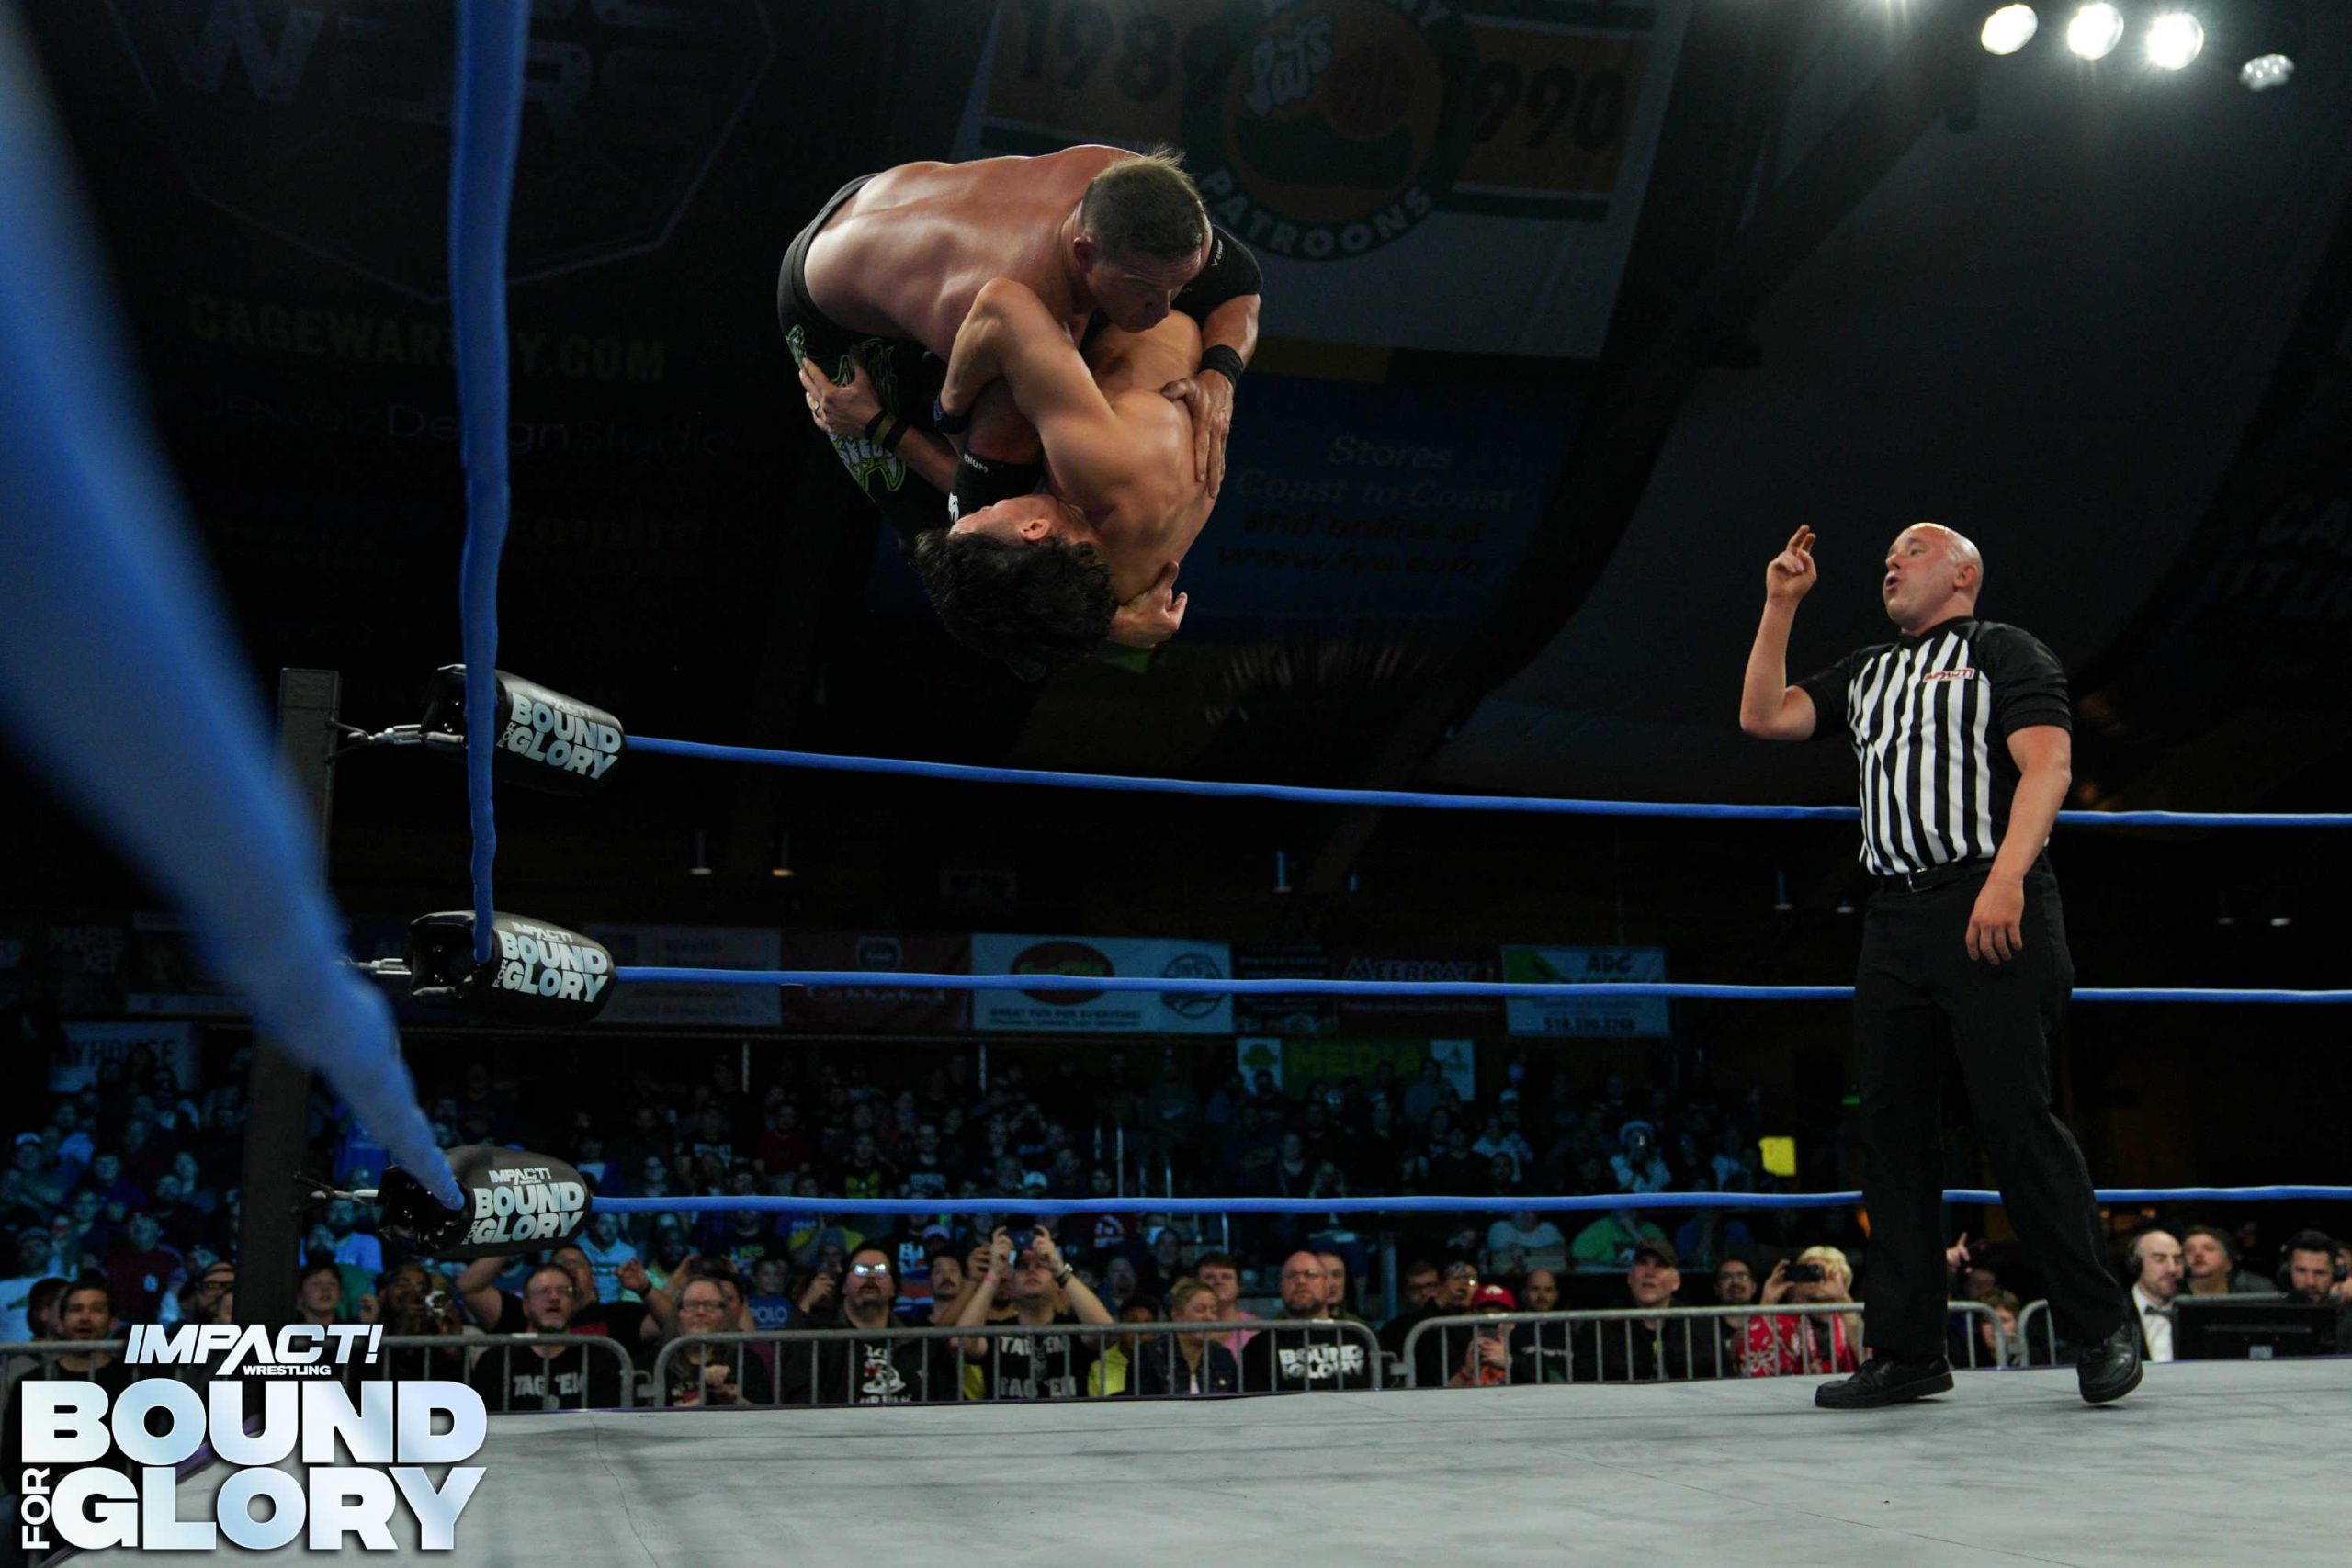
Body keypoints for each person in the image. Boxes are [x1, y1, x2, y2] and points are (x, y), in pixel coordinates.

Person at [1740, 521, 2137, 1409]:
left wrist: (2006, 878)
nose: (1892, 559)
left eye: (1913, 549)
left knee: (2016, 1120)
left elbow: (2048, 766)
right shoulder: (1869, 670)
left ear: (1963, 572)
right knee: (1891, 1134)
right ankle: (1908, 1349)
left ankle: (2101, 1326)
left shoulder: (2003, 649)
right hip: (1894, 917)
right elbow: (1765, 715)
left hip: (1989, 892)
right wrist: (1779, 605)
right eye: (1890, 552)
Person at [781, 147, 1261, 669]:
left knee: (980, 547)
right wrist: (910, 417)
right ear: (1085, 255)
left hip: (903, 205)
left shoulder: (1135, 197)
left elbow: (1240, 282)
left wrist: (1221, 374)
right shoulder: (1039, 323)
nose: (1163, 308)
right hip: (833, 289)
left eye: (1179, 287)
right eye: (1147, 290)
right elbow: (975, 510)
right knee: (939, 540)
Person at [955, 1223, 1114, 1401]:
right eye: (1022, 1267)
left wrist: (1058, 1267)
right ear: (1011, 1285)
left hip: (1066, 1418)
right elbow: (962, 1343)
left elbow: (1107, 1331)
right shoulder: (996, 1332)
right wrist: (994, 1273)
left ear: (1056, 1284)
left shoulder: (1073, 1328)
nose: (1031, 1271)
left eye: (1040, 1266)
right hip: (1010, 1418)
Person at [468, 1263, 628, 1413]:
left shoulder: (598, 1358)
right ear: (526, 1306)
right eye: (544, 1291)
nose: (554, 1297)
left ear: (573, 1304)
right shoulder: (497, 1361)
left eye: (563, 1291)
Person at [1237, 1251, 1374, 1393]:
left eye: (1311, 1274)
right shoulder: (1260, 1345)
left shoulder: (1360, 1334)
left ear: (1327, 1285)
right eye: (1291, 1275)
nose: (1301, 1281)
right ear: (1281, 1286)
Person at [1737, 1247, 1865, 1378]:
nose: (1814, 1280)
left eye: (1820, 1273)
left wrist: (1843, 1298)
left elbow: (1868, 1360)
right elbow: (1755, 1361)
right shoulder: (1782, 1321)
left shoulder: (1852, 1318)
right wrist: (1767, 1302)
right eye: (1807, 1273)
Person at [1135, 1277, 1242, 1397]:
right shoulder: (1150, 1355)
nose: (1209, 1317)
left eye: (1213, 1311)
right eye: (1200, 1310)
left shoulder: (1222, 1356)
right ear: (1177, 1315)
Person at [2124, 1228, 2184, 1364]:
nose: (2172, 1268)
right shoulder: (2113, 1315)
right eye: (2159, 1259)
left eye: (2177, 1260)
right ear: (2136, 1264)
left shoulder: (2197, 1313)